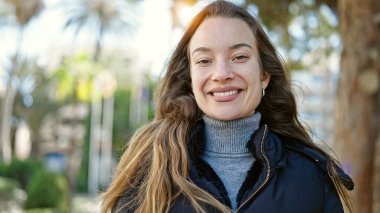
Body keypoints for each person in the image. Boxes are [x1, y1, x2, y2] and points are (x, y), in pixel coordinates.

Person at [102, 1, 354, 212]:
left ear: (264, 74)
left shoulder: (310, 176)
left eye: (239, 57)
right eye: (204, 60)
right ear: (190, 79)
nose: (221, 73)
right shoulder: (148, 170)